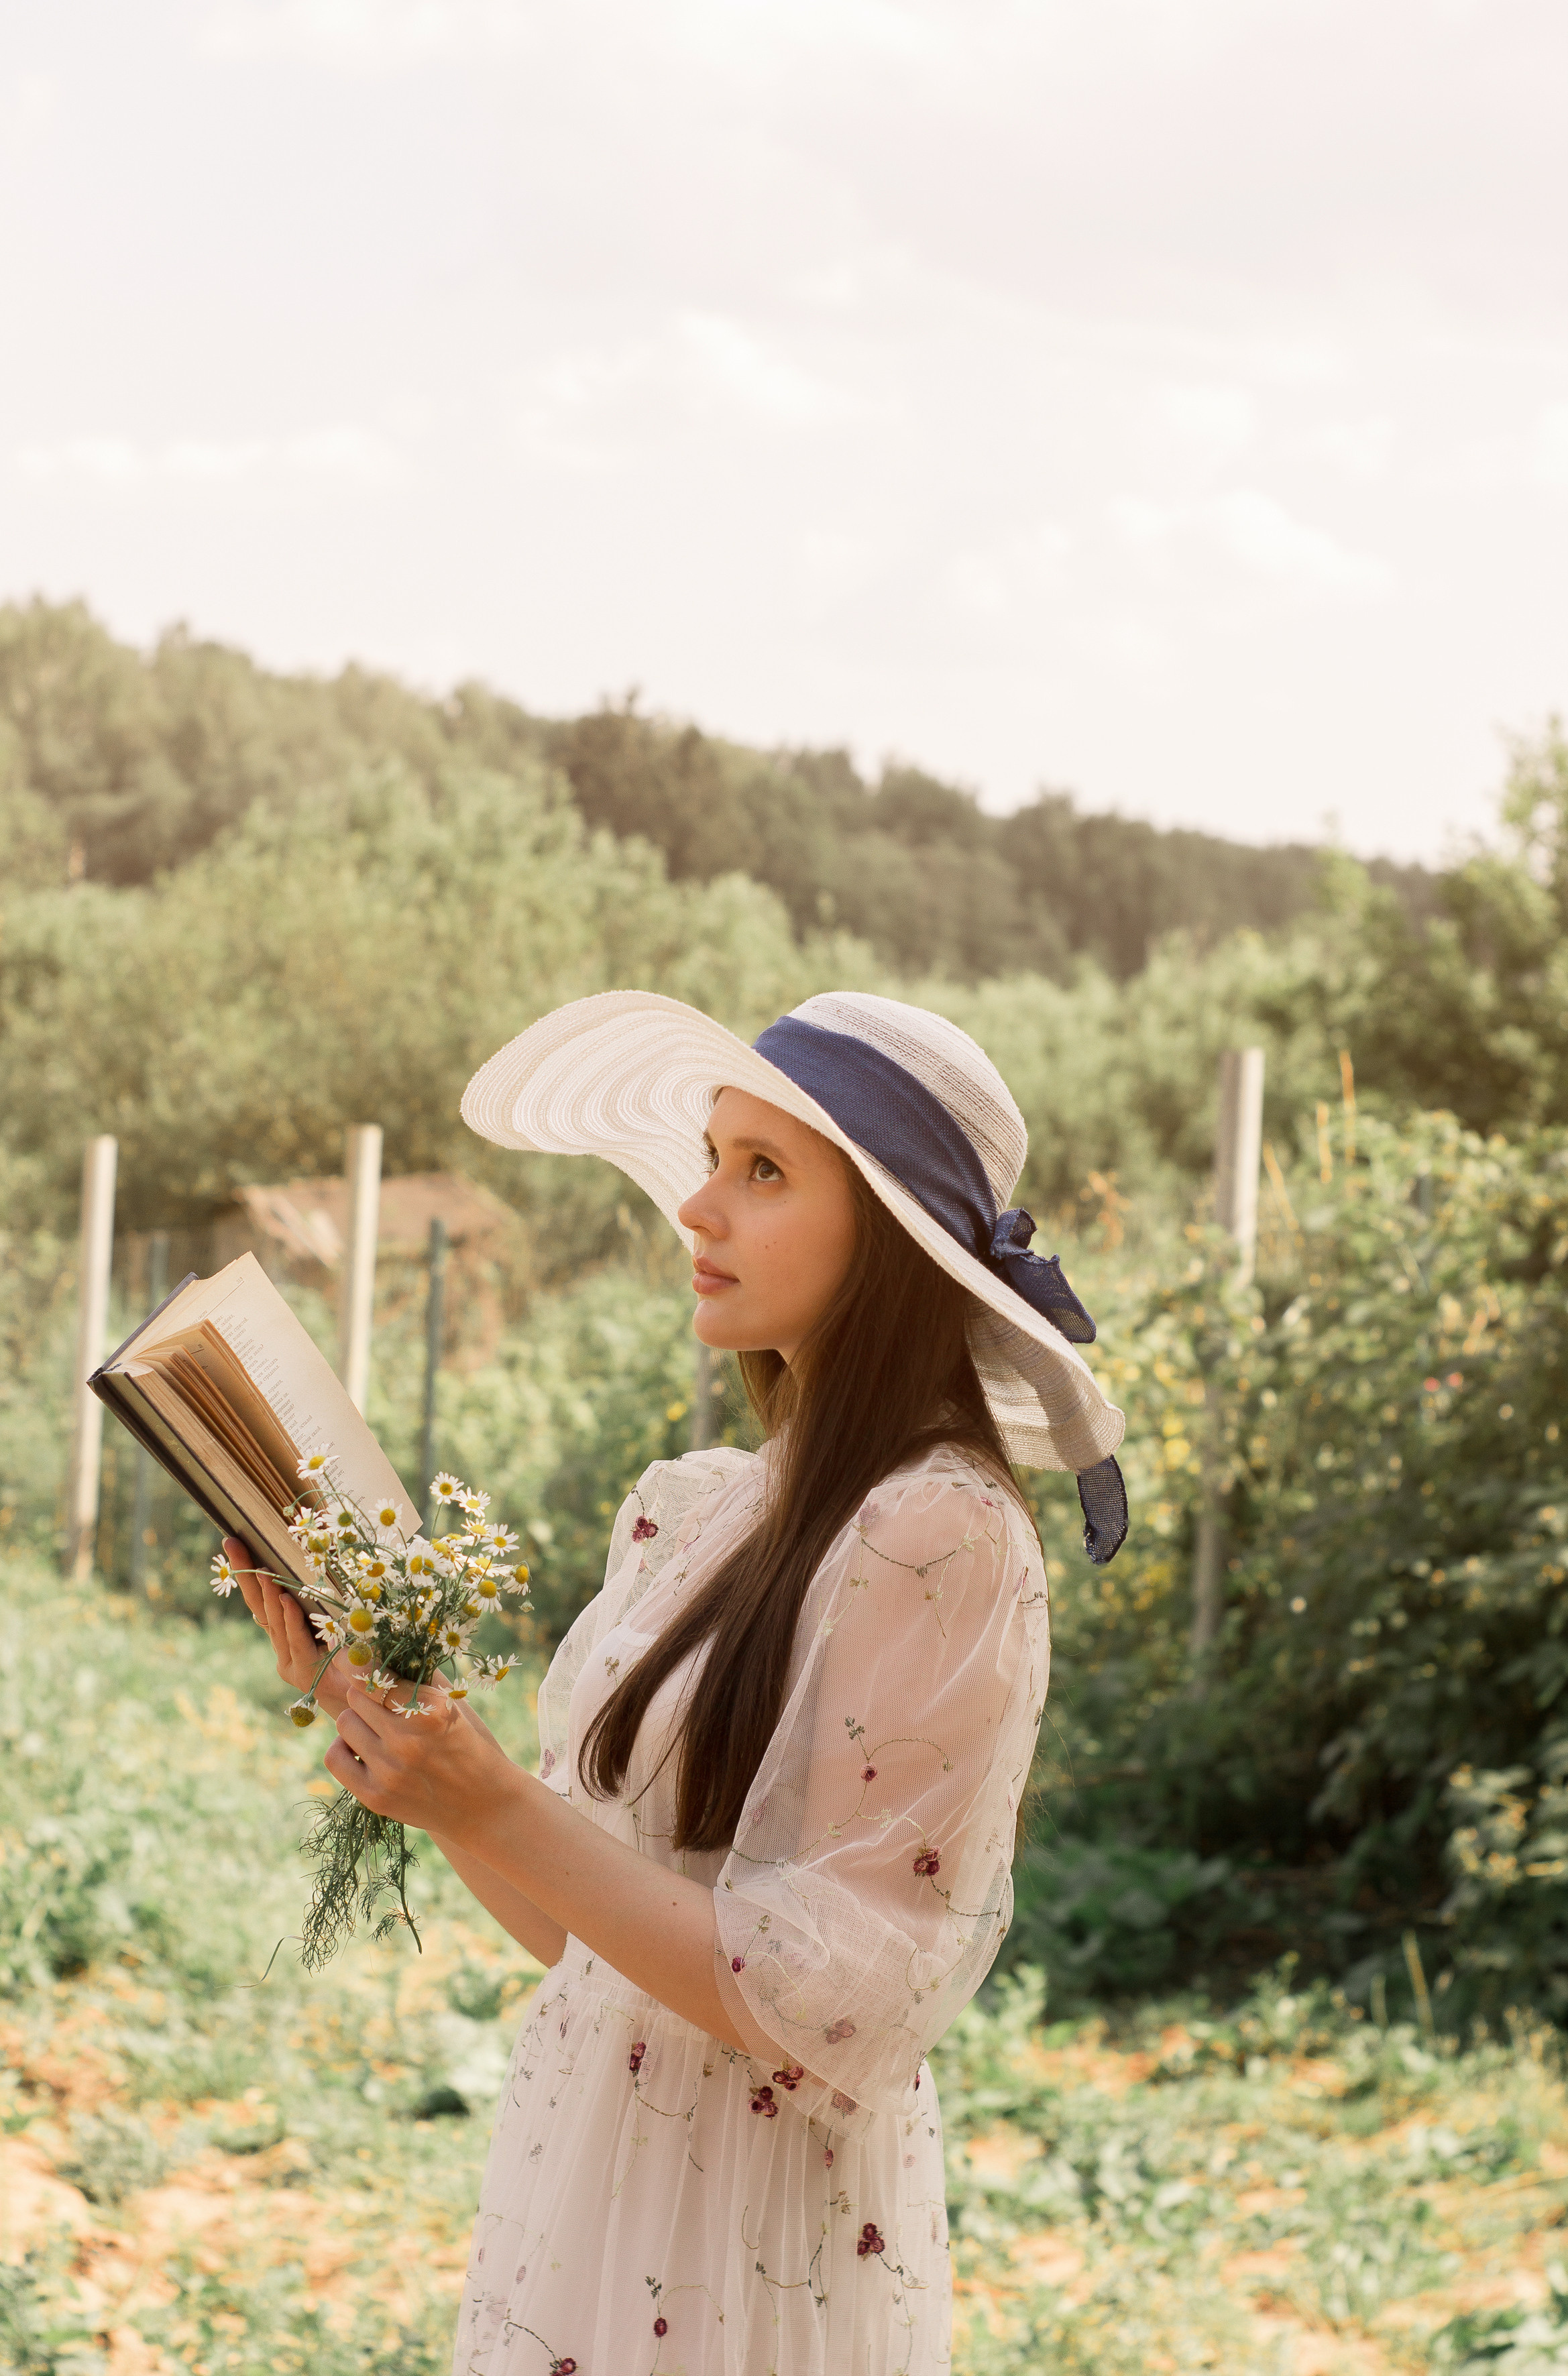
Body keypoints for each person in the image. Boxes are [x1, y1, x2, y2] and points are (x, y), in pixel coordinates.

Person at [230, 988, 1127, 2376]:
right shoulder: (700, 1507)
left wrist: (494, 1800)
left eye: (761, 1170)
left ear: (890, 1235)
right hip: (595, 2183)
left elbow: (833, 2006)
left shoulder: (935, 1531)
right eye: (713, 1158)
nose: (697, 1208)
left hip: (743, 2233)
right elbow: (577, 1932)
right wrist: (386, 1717)